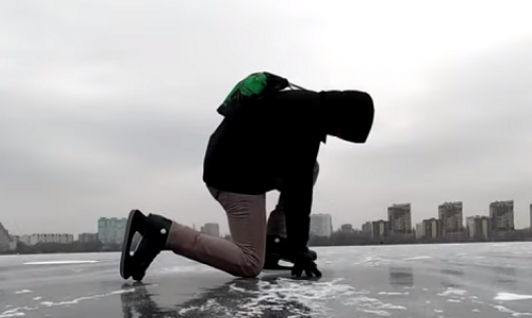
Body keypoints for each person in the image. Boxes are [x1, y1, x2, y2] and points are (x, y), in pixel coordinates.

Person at [119, 76, 374, 282]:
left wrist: (295, 246)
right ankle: (162, 232)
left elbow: (300, 179)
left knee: (310, 169)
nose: (338, 136)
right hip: (231, 177)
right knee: (250, 263)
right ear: (342, 120)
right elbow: (299, 192)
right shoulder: (306, 121)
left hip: (239, 164)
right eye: (343, 133)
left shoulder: (305, 104)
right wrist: (299, 250)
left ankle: (275, 243)